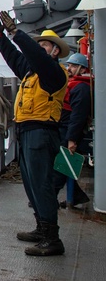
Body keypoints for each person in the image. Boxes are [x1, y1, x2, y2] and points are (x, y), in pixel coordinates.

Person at [0, 12, 69, 256]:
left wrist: (16, 33)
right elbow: (16, 58)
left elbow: (35, 57)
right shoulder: (32, 73)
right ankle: (41, 228)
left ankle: (52, 238)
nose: (39, 49)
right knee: (32, 184)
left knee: (42, 184)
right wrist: (1, 36)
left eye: (44, 45)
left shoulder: (53, 73)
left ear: (55, 51)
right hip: (27, 132)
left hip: (42, 133)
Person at [56, 52, 93, 206]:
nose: (69, 68)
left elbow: (78, 117)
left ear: (82, 69)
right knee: (63, 164)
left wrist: (72, 139)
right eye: (69, 65)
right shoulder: (76, 85)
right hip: (65, 127)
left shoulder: (82, 88)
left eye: (73, 66)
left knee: (60, 164)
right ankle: (76, 196)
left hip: (70, 130)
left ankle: (51, 196)